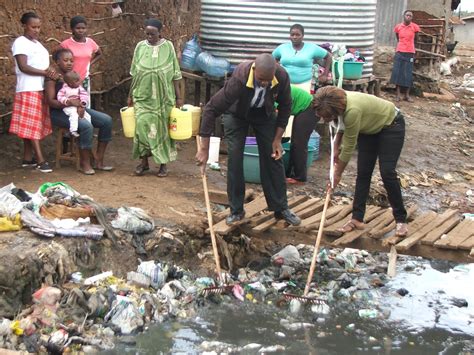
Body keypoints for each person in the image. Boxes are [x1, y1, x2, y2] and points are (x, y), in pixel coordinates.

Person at [196, 54, 301, 227]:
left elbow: (285, 107)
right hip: (237, 114)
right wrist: (204, 149)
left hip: (264, 114)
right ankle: (236, 211)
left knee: (274, 157)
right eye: (261, 79)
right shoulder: (239, 78)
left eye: (268, 80)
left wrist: (277, 139)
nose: (265, 83)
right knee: (235, 158)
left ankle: (280, 208)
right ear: (254, 71)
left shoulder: (282, 76)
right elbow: (211, 109)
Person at [312, 86, 408, 236]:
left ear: (336, 111)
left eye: (327, 117)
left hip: (391, 125)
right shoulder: (336, 105)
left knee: (387, 172)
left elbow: (349, 146)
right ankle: (357, 219)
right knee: (363, 172)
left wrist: (337, 174)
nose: (324, 120)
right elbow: (341, 127)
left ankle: (401, 220)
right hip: (368, 129)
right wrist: (335, 147)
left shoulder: (352, 111)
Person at [127, 19, 183, 178]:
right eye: (147, 34)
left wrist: (179, 98)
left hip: (163, 98)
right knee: (141, 129)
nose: (149, 36)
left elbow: (176, 73)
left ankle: (163, 164)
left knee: (162, 130)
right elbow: (134, 73)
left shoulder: (168, 47)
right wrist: (130, 95)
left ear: (160, 32)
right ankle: (143, 163)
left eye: (153, 34)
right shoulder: (140, 47)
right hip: (142, 96)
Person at [46, 48, 113, 175]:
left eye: (71, 60)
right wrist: (70, 103)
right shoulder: (52, 78)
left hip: (77, 108)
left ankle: (98, 159)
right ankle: (85, 163)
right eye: (65, 60)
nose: (69, 63)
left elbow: (82, 95)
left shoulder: (73, 76)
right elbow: (51, 102)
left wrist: (81, 106)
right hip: (60, 112)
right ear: (57, 62)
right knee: (86, 126)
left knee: (106, 120)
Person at [9, 12, 58, 173]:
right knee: (33, 126)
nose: (36, 30)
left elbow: (41, 65)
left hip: (38, 87)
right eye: (33, 27)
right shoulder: (20, 43)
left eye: (38, 27)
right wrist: (46, 73)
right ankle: (40, 160)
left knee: (31, 125)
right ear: (24, 26)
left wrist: (49, 71)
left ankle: (27, 158)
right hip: (28, 88)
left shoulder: (36, 44)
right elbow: (23, 67)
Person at [272, 24, 332, 92]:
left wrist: (325, 74)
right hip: (284, 84)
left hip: (304, 84)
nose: (294, 37)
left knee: (303, 102)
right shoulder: (282, 48)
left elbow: (328, 56)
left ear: (302, 36)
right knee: (283, 102)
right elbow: (272, 58)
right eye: (292, 35)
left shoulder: (311, 48)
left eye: (298, 35)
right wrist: (275, 73)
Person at [282, 85, 317, 184]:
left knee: (299, 143)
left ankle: (300, 177)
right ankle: (291, 174)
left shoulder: (273, 95)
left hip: (309, 107)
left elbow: (279, 117)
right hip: (303, 107)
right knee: (295, 142)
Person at [60, 16, 102, 98]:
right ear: (72, 29)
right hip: (69, 81)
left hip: (84, 79)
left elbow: (99, 54)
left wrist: (89, 64)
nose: (81, 30)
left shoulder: (90, 42)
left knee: (84, 103)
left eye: (83, 28)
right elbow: (57, 58)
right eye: (78, 28)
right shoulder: (66, 44)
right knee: (70, 103)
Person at [390, 10, 420, 102]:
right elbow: (397, 38)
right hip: (400, 52)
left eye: (410, 16)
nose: (408, 17)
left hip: (410, 52)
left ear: (412, 18)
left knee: (408, 73)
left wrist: (413, 50)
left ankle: (407, 95)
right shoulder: (398, 27)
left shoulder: (415, 27)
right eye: (407, 15)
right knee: (397, 72)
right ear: (404, 16)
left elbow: (416, 39)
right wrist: (402, 44)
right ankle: (398, 95)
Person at [57, 71, 91, 138]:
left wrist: (83, 102)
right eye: (77, 81)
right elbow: (60, 97)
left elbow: (84, 95)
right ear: (71, 83)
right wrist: (67, 101)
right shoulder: (64, 89)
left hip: (77, 106)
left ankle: (89, 131)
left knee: (87, 116)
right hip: (68, 107)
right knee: (74, 115)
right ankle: (73, 130)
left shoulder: (79, 88)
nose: (79, 82)